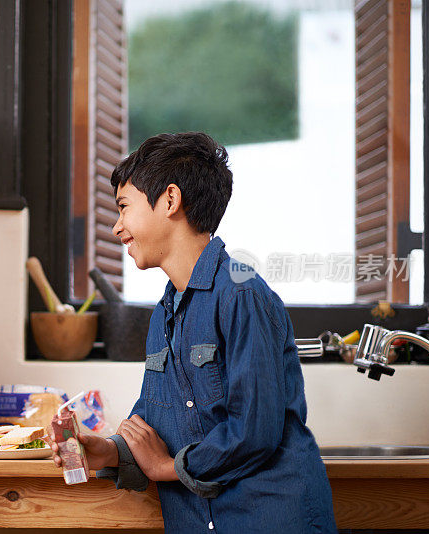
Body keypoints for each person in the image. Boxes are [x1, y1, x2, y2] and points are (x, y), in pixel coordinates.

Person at [51, 132, 337, 533]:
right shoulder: (165, 313)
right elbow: (152, 425)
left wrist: (168, 468)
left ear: (170, 200)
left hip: (269, 518)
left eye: (123, 208)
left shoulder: (242, 295)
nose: (117, 228)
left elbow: (253, 431)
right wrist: (106, 451)